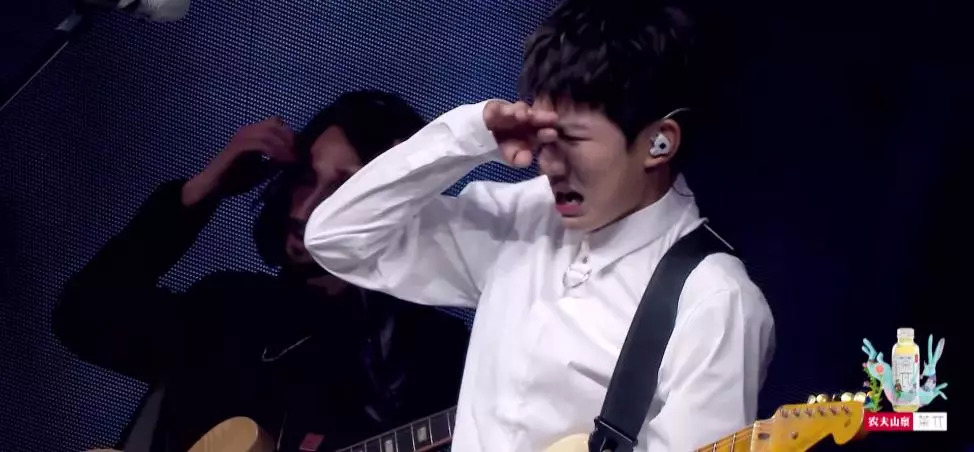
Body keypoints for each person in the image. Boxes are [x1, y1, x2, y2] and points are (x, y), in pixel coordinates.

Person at [302, 2, 775, 451]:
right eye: (542, 137)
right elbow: (336, 238)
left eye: (571, 139)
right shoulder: (520, 217)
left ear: (659, 143)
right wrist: (473, 134)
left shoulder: (716, 304)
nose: (547, 163)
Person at [53, 90, 471, 452]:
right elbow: (82, 316)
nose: (305, 211)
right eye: (306, 178)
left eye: (343, 190)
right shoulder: (230, 308)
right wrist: (204, 188)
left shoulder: (433, 352)